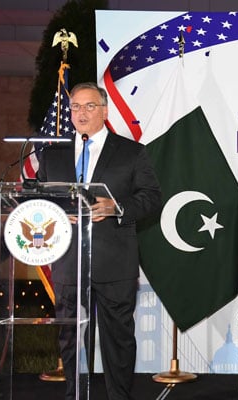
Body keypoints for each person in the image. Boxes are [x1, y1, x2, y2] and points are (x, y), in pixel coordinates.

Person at [37, 82, 162, 400]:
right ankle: (73, 394)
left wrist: (116, 207)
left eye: (89, 106)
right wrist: (56, 213)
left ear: (104, 111)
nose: (80, 112)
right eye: (75, 107)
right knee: (69, 336)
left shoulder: (131, 151)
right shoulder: (53, 153)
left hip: (114, 261)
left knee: (118, 339)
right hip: (67, 261)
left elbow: (151, 198)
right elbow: (39, 199)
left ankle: (119, 396)